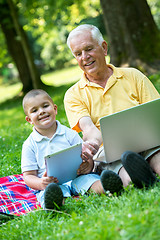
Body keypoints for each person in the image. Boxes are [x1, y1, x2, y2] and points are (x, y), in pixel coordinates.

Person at [64, 24, 160, 190]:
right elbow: (88, 128)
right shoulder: (73, 95)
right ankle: (147, 178)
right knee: (128, 180)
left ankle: (151, 172)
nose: (85, 57)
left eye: (88, 49)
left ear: (104, 47)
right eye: (78, 54)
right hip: (111, 154)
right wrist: (93, 143)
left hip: (148, 143)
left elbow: (155, 113)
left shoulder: (133, 76)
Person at [21, 89, 123, 210]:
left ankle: (107, 186)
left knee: (91, 181)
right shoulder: (29, 145)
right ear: (29, 120)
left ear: (55, 109)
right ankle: (56, 202)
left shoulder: (69, 134)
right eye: (35, 110)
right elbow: (28, 176)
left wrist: (88, 165)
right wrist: (40, 183)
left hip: (78, 177)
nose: (42, 111)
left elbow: (85, 156)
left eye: (45, 106)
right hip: (51, 184)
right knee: (49, 193)